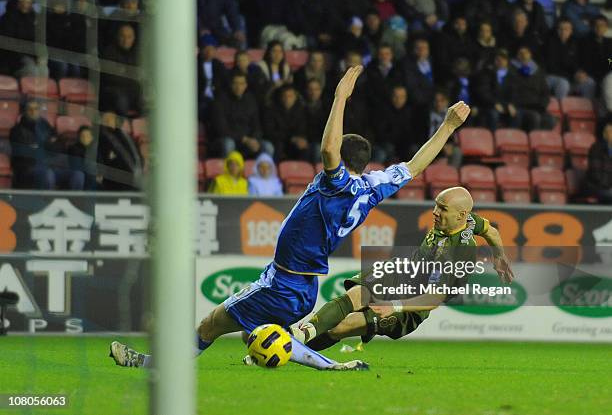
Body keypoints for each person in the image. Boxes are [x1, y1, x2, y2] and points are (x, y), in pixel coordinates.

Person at [109, 66, 471, 371]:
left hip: (285, 281)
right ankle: (335, 366)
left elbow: (329, 148)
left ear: (341, 161)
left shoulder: (338, 184)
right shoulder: (371, 187)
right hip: (299, 281)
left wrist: (340, 97)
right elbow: (414, 165)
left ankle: (150, 365)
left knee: (211, 325)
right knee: (260, 335)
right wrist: (448, 127)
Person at [293, 187, 514, 349]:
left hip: (413, 304)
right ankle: (298, 335)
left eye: (442, 209)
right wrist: (500, 257)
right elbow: (492, 231)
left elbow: (433, 298)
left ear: (461, 215)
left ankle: (295, 350)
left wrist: (395, 306)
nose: (435, 212)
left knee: (339, 327)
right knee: (355, 295)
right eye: (436, 205)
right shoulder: (468, 222)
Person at [10, 99, 84, 190]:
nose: (33, 112)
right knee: (47, 174)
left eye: (36, 109)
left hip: (51, 167)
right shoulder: (17, 131)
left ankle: (74, 202)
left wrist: (41, 146)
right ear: (24, 112)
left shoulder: (45, 126)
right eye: (30, 109)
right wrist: (47, 145)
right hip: (29, 169)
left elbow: (59, 148)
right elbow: (26, 155)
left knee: (78, 174)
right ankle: (44, 203)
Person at [211, 72, 269, 159]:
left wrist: (255, 139)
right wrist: (244, 139)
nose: (238, 87)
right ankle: (227, 172)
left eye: (242, 83)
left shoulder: (250, 100)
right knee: (228, 144)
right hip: (226, 139)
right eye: (235, 83)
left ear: (246, 85)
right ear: (230, 84)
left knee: (268, 147)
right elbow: (222, 129)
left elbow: (256, 125)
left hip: (248, 140)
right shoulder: (220, 101)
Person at [100, 24, 142, 116]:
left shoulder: (137, 54)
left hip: (133, 91)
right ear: (117, 37)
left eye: (129, 37)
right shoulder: (109, 52)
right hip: (114, 92)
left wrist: (125, 73)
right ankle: (122, 128)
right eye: (123, 36)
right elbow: (110, 77)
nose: (126, 40)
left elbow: (141, 75)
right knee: (122, 100)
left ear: (134, 38)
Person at [97, 112, 143, 191]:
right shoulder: (101, 137)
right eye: (106, 120)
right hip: (114, 180)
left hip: (131, 177)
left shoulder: (124, 136)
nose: (108, 122)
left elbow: (136, 155)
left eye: (111, 119)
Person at [584, 122, 612, 204]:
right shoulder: (597, 148)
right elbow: (596, 175)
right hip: (596, 187)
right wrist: (609, 187)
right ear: (606, 135)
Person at [68, 126, 97, 190]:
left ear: (92, 137)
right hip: (82, 175)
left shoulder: (96, 148)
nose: (85, 138)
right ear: (79, 137)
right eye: (82, 136)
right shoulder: (74, 149)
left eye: (88, 136)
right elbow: (77, 167)